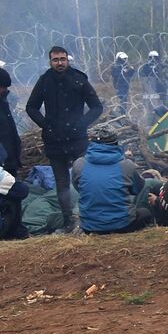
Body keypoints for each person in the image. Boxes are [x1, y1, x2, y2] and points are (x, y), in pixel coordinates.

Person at [26, 45, 103, 232]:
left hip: (77, 139)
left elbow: (96, 107)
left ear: (68, 59)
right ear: (50, 61)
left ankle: (88, 216)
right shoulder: (44, 81)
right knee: (61, 184)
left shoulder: (79, 79)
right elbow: (31, 107)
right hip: (54, 140)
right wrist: (46, 125)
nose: (60, 63)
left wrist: (82, 123)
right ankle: (69, 220)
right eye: (55, 60)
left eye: (62, 59)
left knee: (84, 179)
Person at [72, 132, 152, 234]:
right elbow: (137, 189)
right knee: (145, 213)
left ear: (91, 143)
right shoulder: (126, 164)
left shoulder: (79, 164)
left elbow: (78, 187)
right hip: (123, 225)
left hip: (90, 227)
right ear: (115, 143)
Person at [141, 51, 168, 116]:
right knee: (153, 103)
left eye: (155, 58)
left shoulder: (159, 66)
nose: (153, 59)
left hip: (157, 88)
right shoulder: (148, 66)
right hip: (152, 87)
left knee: (159, 102)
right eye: (152, 57)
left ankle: (158, 115)